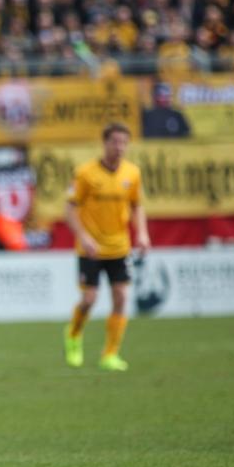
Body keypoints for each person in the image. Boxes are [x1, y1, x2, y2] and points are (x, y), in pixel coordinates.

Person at [63, 122, 151, 371]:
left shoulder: (132, 173)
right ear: (105, 143)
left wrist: (142, 234)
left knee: (121, 296)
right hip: (90, 248)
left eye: (124, 142)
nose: (120, 147)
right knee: (89, 299)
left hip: (119, 246)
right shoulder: (86, 173)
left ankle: (110, 354)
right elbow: (69, 209)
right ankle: (73, 333)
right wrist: (84, 236)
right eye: (115, 142)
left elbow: (137, 206)